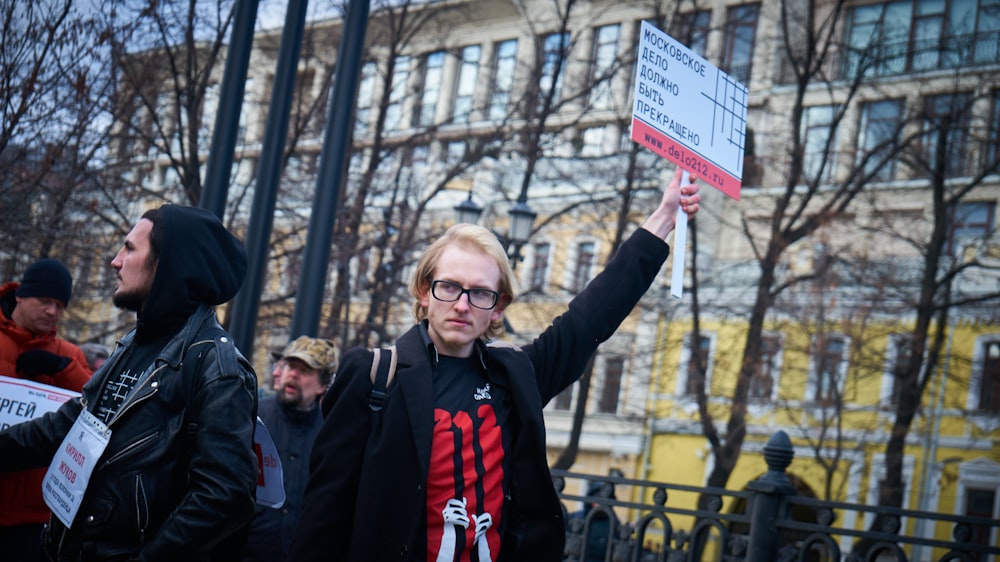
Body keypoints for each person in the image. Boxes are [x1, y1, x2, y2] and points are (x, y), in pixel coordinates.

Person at [289, 168, 701, 561]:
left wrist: (664, 217)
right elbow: (325, 513)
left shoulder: (514, 377)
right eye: (449, 286)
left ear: (498, 307)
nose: (463, 304)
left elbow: (589, 319)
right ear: (423, 292)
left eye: (481, 293)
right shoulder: (374, 376)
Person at [0, 204, 259, 562]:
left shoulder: (217, 366)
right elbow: (67, 427)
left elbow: (225, 495)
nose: (115, 261)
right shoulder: (134, 343)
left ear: (169, 263)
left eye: (130, 248)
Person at [0, 258, 93, 562]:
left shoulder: (69, 355)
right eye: (44, 301)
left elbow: (97, 409)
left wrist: (63, 369)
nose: (52, 312)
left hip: (33, 515)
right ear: (21, 295)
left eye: (59, 305)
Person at [242, 336, 338, 562]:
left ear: (322, 386)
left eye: (304, 370)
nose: (292, 374)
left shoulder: (330, 434)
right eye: (289, 366)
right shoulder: (253, 418)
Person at [567, 480, 621, 562]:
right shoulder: (577, 517)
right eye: (597, 497)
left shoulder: (614, 523)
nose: (600, 502)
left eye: (604, 498)